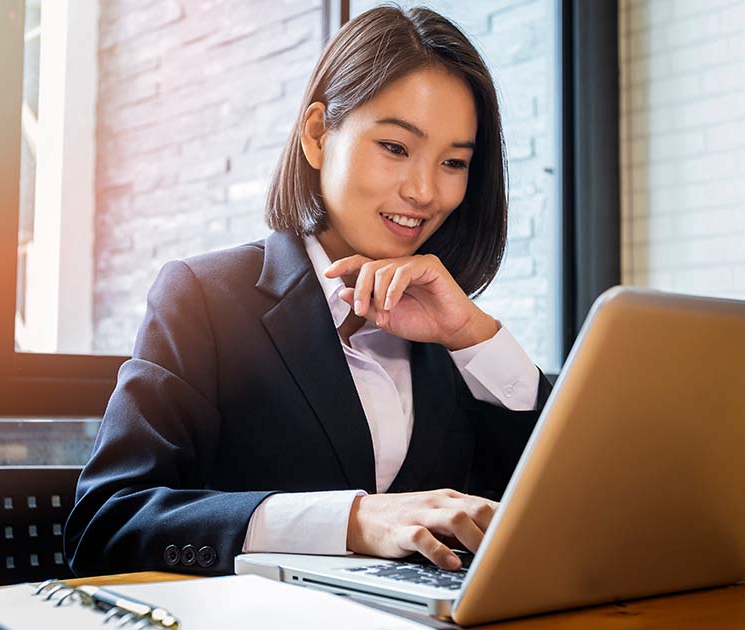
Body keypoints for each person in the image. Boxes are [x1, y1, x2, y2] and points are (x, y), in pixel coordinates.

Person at [64, 5, 552, 577]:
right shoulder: (205, 298)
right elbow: (106, 523)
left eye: (452, 162)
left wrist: (473, 335)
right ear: (318, 135)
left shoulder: (454, 339)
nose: (424, 191)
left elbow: (549, 508)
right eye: (395, 147)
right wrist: (353, 522)